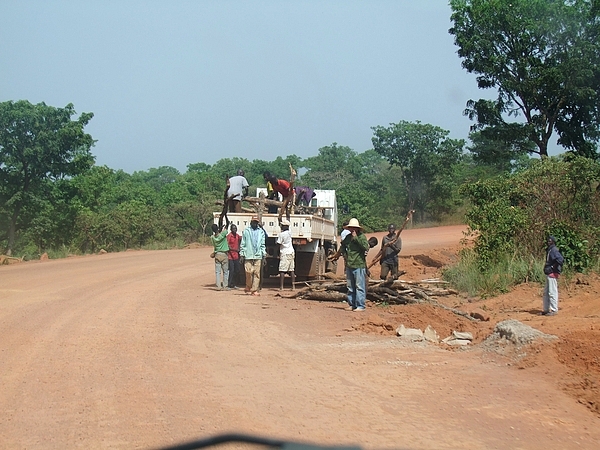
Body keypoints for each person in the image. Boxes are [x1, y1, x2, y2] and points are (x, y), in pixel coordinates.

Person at [332, 218, 369, 312]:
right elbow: (343, 246)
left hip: (359, 265)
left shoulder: (361, 237)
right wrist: (343, 254)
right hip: (349, 264)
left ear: (357, 229)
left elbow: (365, 247)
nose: (352, 229)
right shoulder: (348, 238)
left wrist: (356, 238)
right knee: (350, 286)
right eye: (351, 228)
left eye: (354, 228)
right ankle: (352, 304)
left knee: (359, 286)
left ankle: (360, 305)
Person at [240, 216, 266, 296]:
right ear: (251, 222)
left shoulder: (261, 232)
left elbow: (262, 244)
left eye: (256, 222)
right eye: (253, 222)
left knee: (257, 273)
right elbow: (243, 244)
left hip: (258, 255)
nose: (254, 223)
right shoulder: (246, 231)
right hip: (248, 255)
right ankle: (248, 286)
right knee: (248, 272)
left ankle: (254, 290)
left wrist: (264, 256)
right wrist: (242, 255)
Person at [541, 235, 564, 316]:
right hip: (548, 273)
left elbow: (560, 260)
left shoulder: (554, 250)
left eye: (550, 241)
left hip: (552, 273)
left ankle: (554, 310)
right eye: (548, 241)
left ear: (553, 242)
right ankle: (546, 310)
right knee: (546, 292)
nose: (548, 242)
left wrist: (553, 267)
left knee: (552, 292)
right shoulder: (550, 250)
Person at [210, 219, 230, 290]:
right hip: (224, 254)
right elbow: (227, 225)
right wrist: (226, 219)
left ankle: (218, 286)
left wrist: (220, 228)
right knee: (225, 271)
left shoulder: (212, 238)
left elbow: (217, 234)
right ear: (218, 228)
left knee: (218, 272)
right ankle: (225, 286)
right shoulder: (223, 234)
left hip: (217, 254)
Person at [277, 219, 295, 290]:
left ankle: (281, 287)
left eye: (282, 225)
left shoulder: (282, 234)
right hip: (291, 252)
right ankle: (293, 286)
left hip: (284, 252)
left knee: (282, 270)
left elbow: (278, 243)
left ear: (285, 226)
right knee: (292, 270)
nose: (281, 226)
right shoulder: (290, 233)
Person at [226, 224, 243, 289]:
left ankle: (234, 284)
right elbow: (227, 246)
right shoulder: (229, 236)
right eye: (233, 229)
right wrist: (235, 250)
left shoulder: (237, 236)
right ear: (231, 229)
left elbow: (241, 239)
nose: (235, 230)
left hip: (236, 256)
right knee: (231, 270)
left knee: (237, 270)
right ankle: (229, 284)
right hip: (230, 256)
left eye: (235, 228)